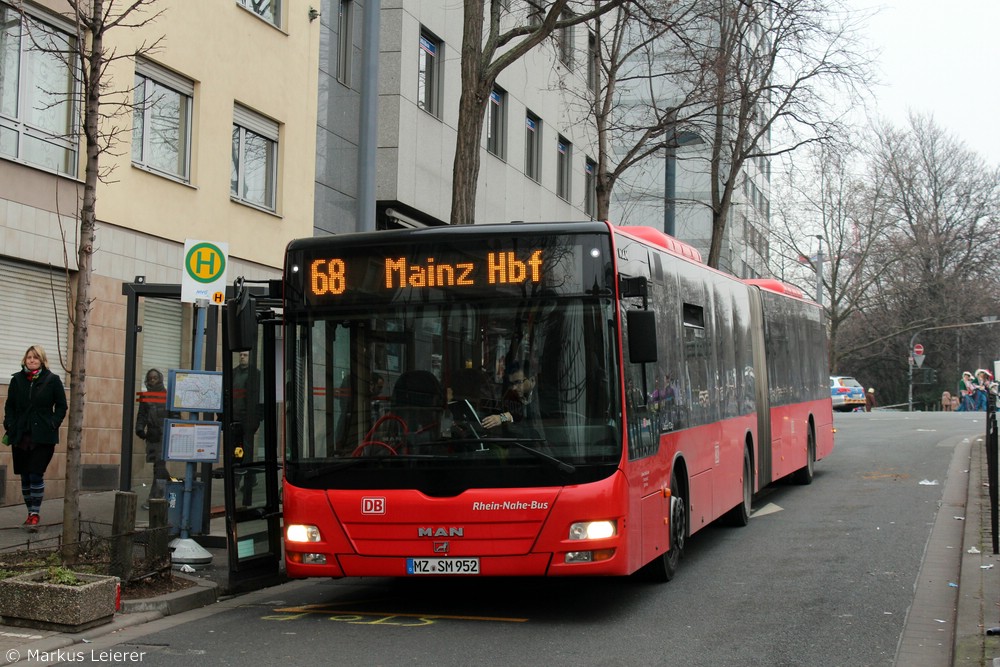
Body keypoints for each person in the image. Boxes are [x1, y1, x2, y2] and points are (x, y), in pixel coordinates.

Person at [2, 345, 67, 530]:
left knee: (35, 473)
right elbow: (10, 406)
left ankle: (35, 514)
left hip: (43, 436)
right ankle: (30, 512)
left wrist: (53, 423)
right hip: (21, 434)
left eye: (35, 357)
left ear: (42, 360)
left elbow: (61, 406)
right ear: (25, 359)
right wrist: (9, 423)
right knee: (25, 476)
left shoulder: (52, 380)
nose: (31, 360)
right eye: (29, 357)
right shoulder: (17, 380)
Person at [135, 368, 170, 507]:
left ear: (160, 379)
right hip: (153, 435)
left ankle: (155, 497)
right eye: (150, 378)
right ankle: (166, 490)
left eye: (155, 378)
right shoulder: (146, 396)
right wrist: (140, 430)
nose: (152, 380)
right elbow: (142, 415)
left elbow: (174, 414)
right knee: (158, 466)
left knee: (160, 466)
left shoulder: (167, 395)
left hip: (165, 435)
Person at [232, 351, 263, 506]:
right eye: (241, 355)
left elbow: (259, 398)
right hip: (236, 418)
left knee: (247, 450)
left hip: (248, 419)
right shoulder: (234, 373)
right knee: (238, 450)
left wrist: (258, 417)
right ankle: (245, 479)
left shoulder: (256, 375)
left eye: (245, 355)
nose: (242, 357)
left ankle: (245, 480)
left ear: (251, 358)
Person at [482, 360, 538, 435]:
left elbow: (519, 414)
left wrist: (502, 418)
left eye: (518, 382)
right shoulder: (513, 395)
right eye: (512, 383)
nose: (514, 388)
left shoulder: (543, 397)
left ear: (532, 380)